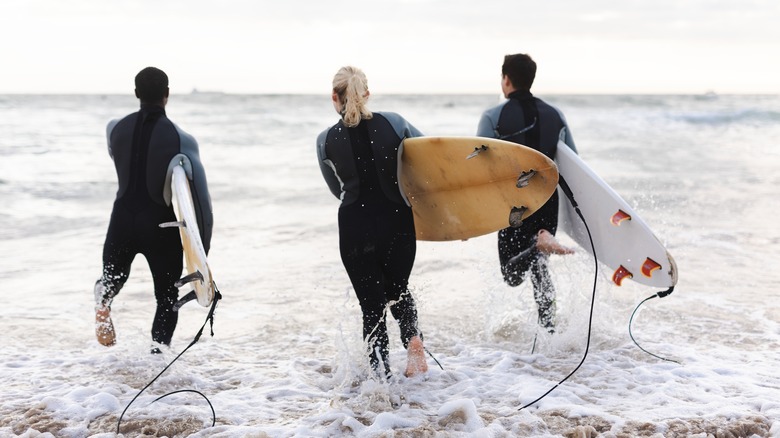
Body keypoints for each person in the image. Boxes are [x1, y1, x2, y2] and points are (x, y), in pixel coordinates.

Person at [316, 66, 428, 378]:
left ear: (334, 97)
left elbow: (336, 189)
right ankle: (414, 341)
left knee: (372, 308)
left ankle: (381, 384)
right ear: (367, 93)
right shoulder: (395, 122)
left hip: (355, 226)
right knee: (399, 290)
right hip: (398, 221)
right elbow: (431, 157)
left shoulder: (325, 140)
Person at [94, 67, 213, 352]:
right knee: (166, 298)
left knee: (112, 278)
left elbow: (118, 154)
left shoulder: (114, 129)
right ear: (167, 94)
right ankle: (157, 356)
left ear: (136, 93)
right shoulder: (181, 139)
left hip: (121, 219)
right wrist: (202, 258)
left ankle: (102, 303)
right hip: (159, 226)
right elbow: (201, 203)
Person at [477, 53, 576, 333]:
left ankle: (536, 245)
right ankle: (549, 332)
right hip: (547, 199)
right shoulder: (555, 115)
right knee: (539, 270)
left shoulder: (493, 116)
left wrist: (471, 214)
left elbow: (477, 169)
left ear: (506, 80)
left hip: (513, 202)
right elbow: (572, 162)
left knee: (511, 273)